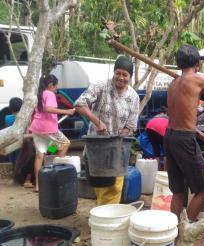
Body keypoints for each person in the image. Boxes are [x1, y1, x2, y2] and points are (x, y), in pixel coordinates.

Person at [164, 44, 204, 220]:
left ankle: (173, 235)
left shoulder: (173, 84)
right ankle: (187, 234)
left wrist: (203, 136)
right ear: (197, 64)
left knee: (178, 192)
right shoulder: (197, 79)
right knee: (202, 190)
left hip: (170, 137)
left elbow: (181, 120)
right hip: (184, 140)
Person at [75, 55, 140, 205]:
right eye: (118, 73)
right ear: (114, 72)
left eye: (125, 74)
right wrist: (97, 121)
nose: (121, 77)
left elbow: (130, 126)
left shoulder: (134, 97)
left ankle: (106, 220)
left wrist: (118, 139)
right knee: (101, 187)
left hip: (117, 150)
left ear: (130, 77)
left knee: (115, 188)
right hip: (96, 148)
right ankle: (103, 218)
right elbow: (79, 104)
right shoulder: (100, 86)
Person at [29, 75, 75, 192]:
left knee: (40, 155)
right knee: (65, 144)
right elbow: (48, 109)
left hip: (36, 128)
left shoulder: (39, 94)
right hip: (48, 128)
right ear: (51, 85)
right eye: (56, 86)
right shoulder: (49, 94)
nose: (56, 88)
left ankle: (38, 186)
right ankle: (55, 173)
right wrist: (67, 111)